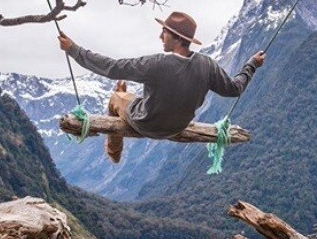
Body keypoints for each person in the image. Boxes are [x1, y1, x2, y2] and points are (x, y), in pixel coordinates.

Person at [58, 11, 266, 163]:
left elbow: (111, 67)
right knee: (133, 96)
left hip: (147, 123)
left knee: (116, 98)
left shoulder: (157, 63)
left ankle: (114, 151)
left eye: (164, 33)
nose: (160, 37)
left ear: (177, 38)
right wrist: (251, 65)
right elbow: (234, 89)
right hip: (179, 126)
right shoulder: (207, 65)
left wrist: (74, 50)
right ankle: (124, 96)